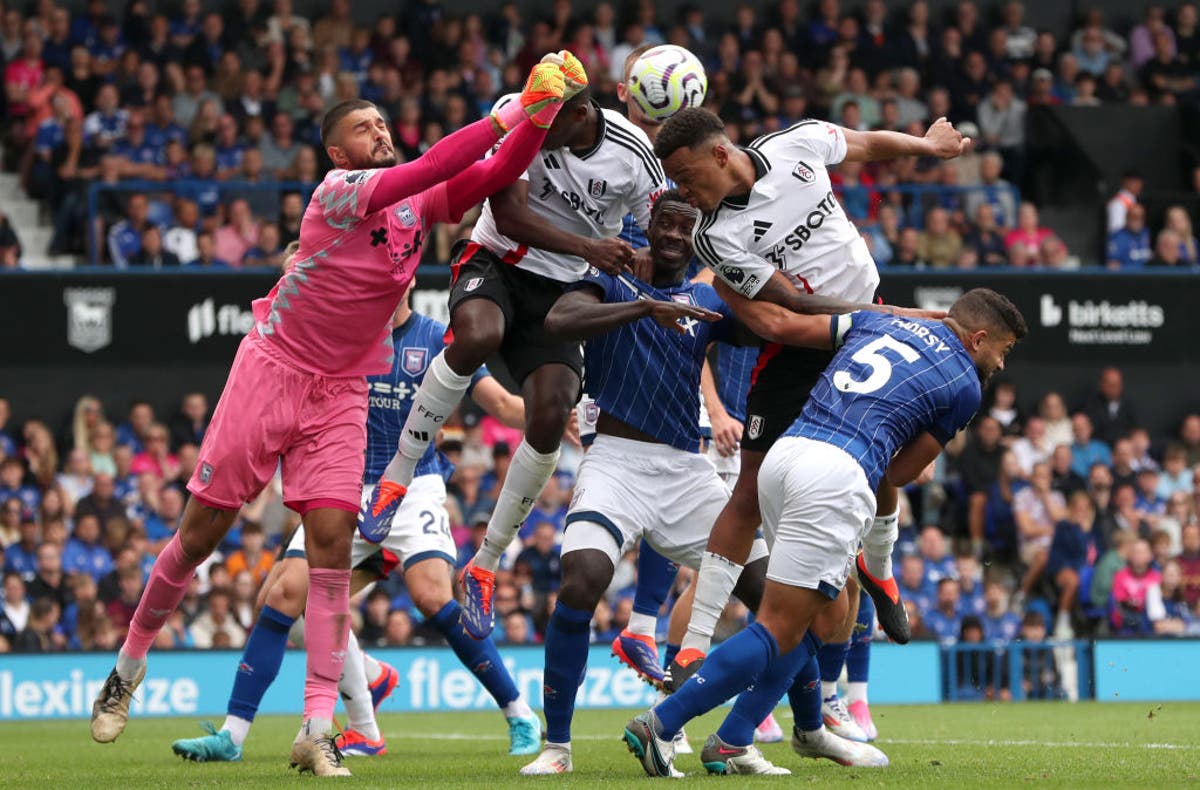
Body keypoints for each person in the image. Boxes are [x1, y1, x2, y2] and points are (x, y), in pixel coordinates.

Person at [88, 58, 570, 778]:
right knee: (200, 533)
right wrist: (510, 112)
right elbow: (439, 160)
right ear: (338, 152)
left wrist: (542, 117)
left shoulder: (418, 205)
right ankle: (128, 666)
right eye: (363, 126)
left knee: (331, 551)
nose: (379, 130)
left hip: (344, 385)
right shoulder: (340, 192)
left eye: (383, 122)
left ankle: (317, 728)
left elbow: (493, 174)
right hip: (273, 370)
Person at [520, 189, 883, 776]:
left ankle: (805, 728)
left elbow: (779, 324)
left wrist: (868, 315)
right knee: (583, 578)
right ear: (650, 225)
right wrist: (645, 309)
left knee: (777, 598)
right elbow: (559, 319)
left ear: (699, 239)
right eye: (665, 223)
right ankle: (557, 747)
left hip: (687, 473)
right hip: (615, 462)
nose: (673, 235)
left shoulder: (706, 298)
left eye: (686, 228)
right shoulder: (614, 277)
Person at [624, 288, 1025, 777]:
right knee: (778, 624)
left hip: (785, 454)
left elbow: (795, 328)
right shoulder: (965, 382)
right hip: (838, 475)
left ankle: (734, 738)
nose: (1001, 364)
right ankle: (661, 723)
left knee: (832, 611)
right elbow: (897, 476)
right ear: (979, 339)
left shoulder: (881, 322)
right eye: (1003, 351)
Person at [646, 106, 966, 695]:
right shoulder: (713, 236)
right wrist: (890, 317)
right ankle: (694, 647)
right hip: (809, 345)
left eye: (687, 177)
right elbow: (791, 304)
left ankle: (882, 568)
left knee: (880, 466)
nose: (683, 192)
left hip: (867, 316)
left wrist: (927, 147)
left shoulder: (797, 145)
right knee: (747, 491)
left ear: (721, 154)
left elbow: (864, 143)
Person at [364, 53, 663, 644]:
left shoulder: (634, 155)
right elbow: (511, 211)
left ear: (583, 113)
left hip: (566, 290)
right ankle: (397, 475)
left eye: (551, 121)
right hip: (498, 260)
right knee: (477, 334)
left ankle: (487, 563)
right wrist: (592, 245)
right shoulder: (521, 113)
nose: (538, 129)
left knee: (552, 414)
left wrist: (637, 260)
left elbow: (653, 233)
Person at [172, 291, 540, 763]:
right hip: (346, 486)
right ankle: (234, 735)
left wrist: (549, 416)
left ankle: (519, 713)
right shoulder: (343, 337)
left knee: (431, 594)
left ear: (405, 282)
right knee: (287, 596)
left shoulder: (436, 337)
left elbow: (505, 406)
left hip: (412, 486)